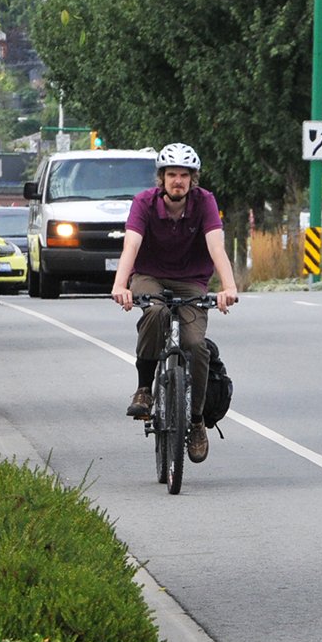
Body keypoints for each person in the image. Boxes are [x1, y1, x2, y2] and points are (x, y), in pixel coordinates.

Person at [112, 143, 238, 463]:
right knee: (154, 311)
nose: (178, 181)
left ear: (192, 179)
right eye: (171, 175)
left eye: (184, 175)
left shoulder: (204, 202)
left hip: (191, 280)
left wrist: (228, 286)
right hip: (150, 275)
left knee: (196, 344)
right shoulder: (143, 203)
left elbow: (216, 247)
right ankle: (144, 389)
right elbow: (131, 245)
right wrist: (120, 284)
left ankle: (195, 421)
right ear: (162, 178)